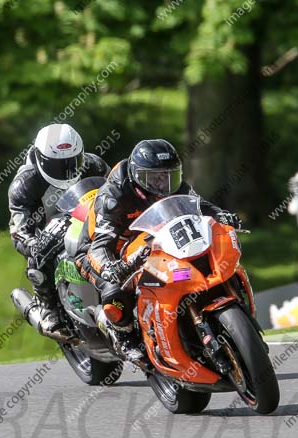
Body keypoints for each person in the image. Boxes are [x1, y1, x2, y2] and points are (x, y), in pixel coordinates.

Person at [77, 139, 241, 361]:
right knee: (114, 291)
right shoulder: (113, 196)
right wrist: (109, 269)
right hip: (101, 252)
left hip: (149, 241)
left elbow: (200, 205)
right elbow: (99, 246)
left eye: (168, 176)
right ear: (136, 176)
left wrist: (221, 215)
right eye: (154, 178)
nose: (162, 184)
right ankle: (123, 334)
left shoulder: (176, 186)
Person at [8, 123, 110, 333]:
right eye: (58, 165)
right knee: (36, 259)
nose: (67, 170)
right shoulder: (25, 183)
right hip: (46, 229)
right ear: (40, 158)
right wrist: (34, 243)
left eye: (72, 162)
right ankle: (47, 308)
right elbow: (18, 230)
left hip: (89, 219)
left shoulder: (94, 165)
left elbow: (115, 192)